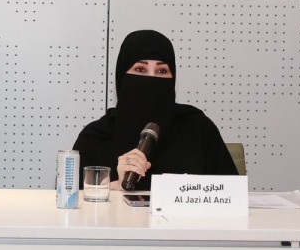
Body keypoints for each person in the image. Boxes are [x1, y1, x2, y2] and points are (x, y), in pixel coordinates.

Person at [73, 29, 237, 190]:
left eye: (161, 71)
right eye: (140, 70)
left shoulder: (198, 129)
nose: (151, 79)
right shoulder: (96, 138)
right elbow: (72, 204)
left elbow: (234, 195)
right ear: (122, 77)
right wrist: (115, 186)